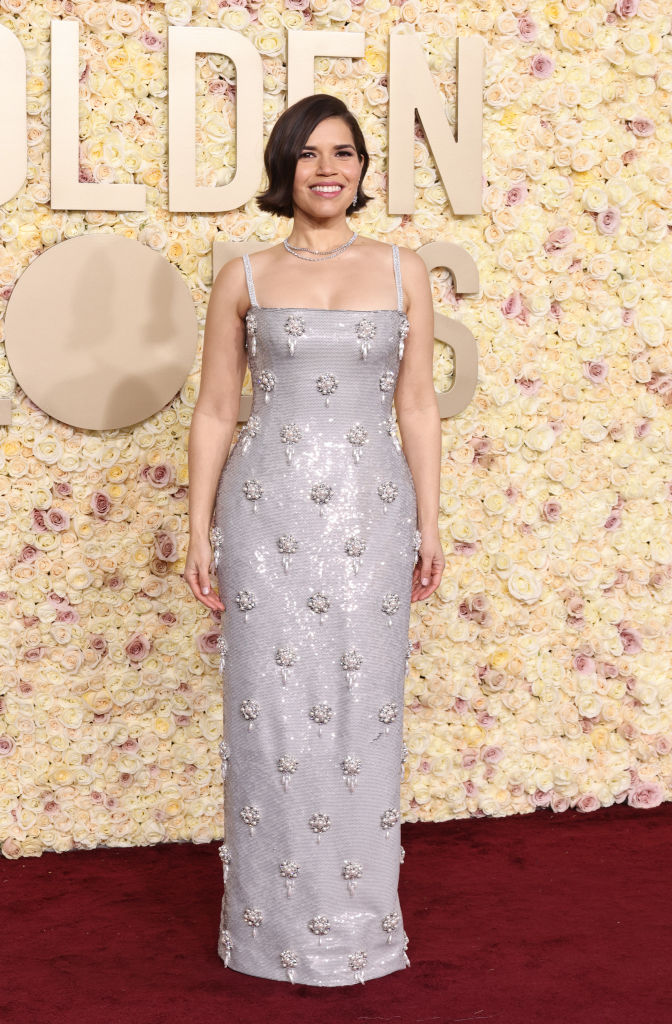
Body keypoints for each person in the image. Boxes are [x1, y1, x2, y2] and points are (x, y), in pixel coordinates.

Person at [183, 93, 444, 986]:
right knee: (271, 719)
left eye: (344, 152)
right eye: (308, 154)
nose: (327, 167)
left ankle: (362, 932)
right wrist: (197, 529)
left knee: (363, 712)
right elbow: (218, 409)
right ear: (283, 169)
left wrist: (430, 519)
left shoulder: (403, 269)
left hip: (373, 516)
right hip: (267, 519)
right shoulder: (243, 276)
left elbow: (416, 403)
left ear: (363, 170)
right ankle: (267, 931)